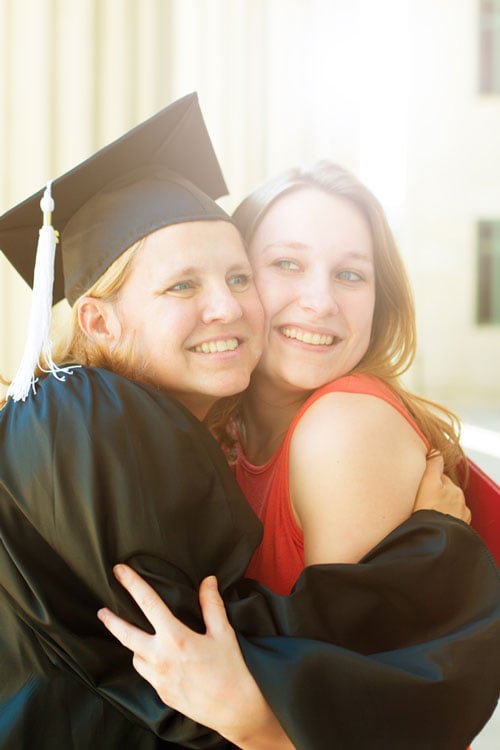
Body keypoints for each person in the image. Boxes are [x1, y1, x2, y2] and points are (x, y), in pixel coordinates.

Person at [0, 94, 498, 750]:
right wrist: (429, 558)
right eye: (283, 264)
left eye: (236, 278)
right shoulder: (87, 419)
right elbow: (212, 665)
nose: (225, 306)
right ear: (98, 320)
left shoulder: (296, 426)